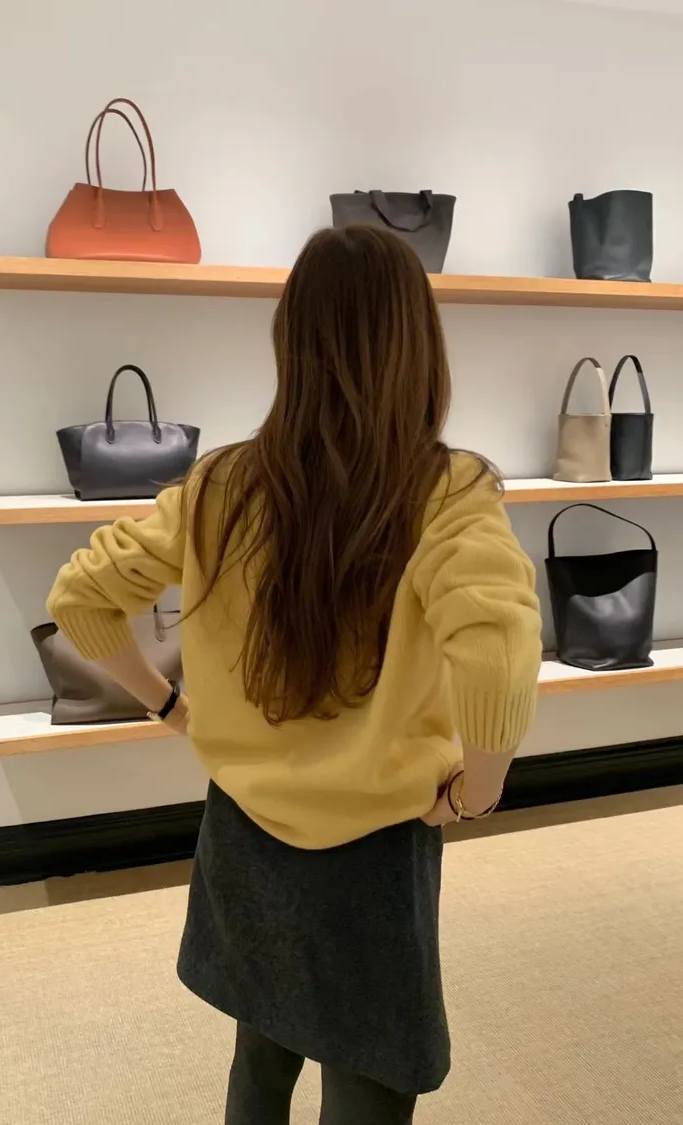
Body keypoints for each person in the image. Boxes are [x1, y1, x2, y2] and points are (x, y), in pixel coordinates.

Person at [47, 225, 543, 1125]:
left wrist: (167, 705)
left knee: (260, 1053)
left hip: (243, 828)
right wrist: (479, 790)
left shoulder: (220, 484)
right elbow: (499, 650)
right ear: (418, 346)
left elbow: (82, 597)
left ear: (291, 340)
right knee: (368, 1080)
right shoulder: (446, 492)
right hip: (376, 851)